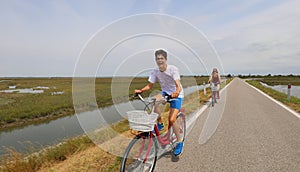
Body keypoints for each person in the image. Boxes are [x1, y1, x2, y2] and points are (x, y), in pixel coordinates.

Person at [134, 49, 184, 156]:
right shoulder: (155, 71)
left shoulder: (173, 69)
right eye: (157, 59)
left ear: (165, 59)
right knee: (154, 101)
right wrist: (141, 90)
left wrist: (177, 92)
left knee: (172, 119)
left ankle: (180, 142)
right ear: (155, 60)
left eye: (162, 58)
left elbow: (178, 85)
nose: (159, 60)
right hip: (166, 92)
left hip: (177, 95)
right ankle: (160, 123)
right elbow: (150, 85)